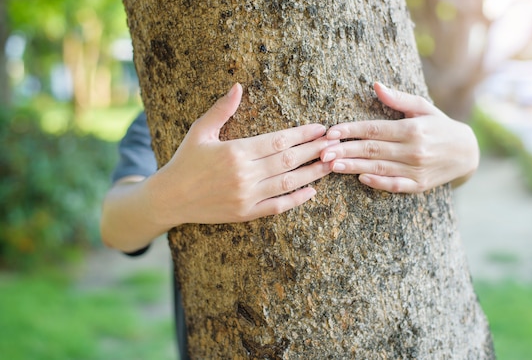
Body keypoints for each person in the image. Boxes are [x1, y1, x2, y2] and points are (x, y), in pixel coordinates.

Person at [100, 81, 479, 359]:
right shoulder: (167, 109)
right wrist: (175, 194)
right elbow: (115, 227)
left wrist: (466, 150)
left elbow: (438, 164)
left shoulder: (393, 84)